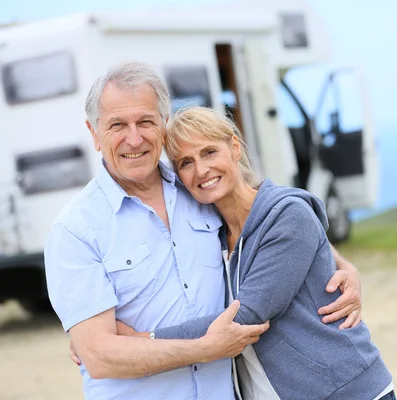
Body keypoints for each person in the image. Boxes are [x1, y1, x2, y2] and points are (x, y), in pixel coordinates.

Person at [45, 62, 364, 400]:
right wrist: (204, 348)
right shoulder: (74, 230)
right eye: (117, 125)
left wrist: (340, 264)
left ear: (163, 127)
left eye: (146, 122)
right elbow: (98, 356)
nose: (134, 138)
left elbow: (271, 221)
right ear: (94, 133)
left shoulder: (198, 188)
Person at [115, 106, 395, 400]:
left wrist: (140, 341)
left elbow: (245, 316)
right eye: (186, 162)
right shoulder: (211, 234)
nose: (201, 170)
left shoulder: (287, 214)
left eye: (209, 152)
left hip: (345, 392)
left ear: (234, 147)